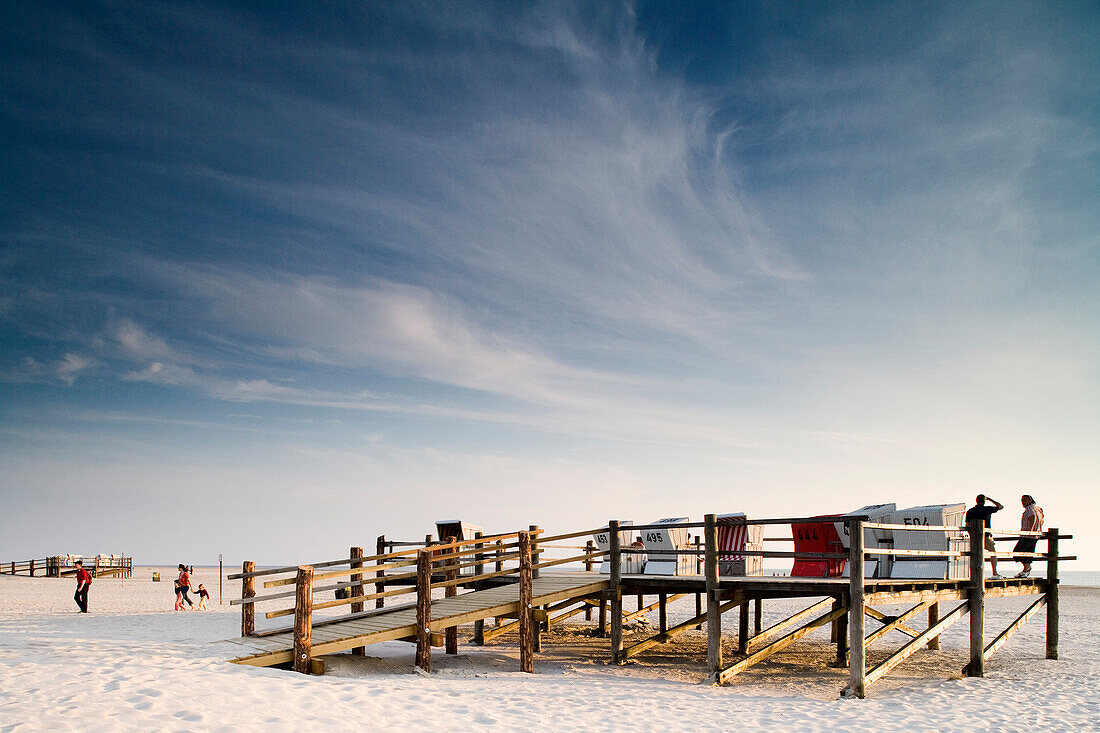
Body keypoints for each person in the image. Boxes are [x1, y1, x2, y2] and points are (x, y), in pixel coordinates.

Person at [965, 494, 1004, 578]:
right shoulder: (987, 509)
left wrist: (971, 534)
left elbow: (967, 525)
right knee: (992, 553)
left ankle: (974, 575)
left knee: (975, 554)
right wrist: (990, 499)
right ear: (984, 501)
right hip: (986, 535)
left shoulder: (970, 511)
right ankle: (994, 573)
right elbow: (1001, 506)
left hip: (975, 536)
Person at [1013, 495, 1045, 578]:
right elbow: (1042, 520)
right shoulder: (1038, 509)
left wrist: (1029, 531)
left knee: (1017, 552)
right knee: (1027, 553)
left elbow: (1032, 517)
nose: (1023, 502)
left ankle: (1027, 568)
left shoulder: (1030, 509)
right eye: (1022, 501)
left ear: (1030, 500)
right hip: (1036, 534)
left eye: (1025, 500)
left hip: (1028, 535)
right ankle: (1025, 570)